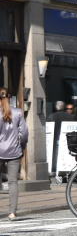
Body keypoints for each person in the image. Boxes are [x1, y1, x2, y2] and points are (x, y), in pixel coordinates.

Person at [0, 88, 29, 220]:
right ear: (10, 97)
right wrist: (21, 147)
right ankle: (12, 212)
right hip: (14, 151)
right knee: (13, 183)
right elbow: (24, 134)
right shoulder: (18, 112)